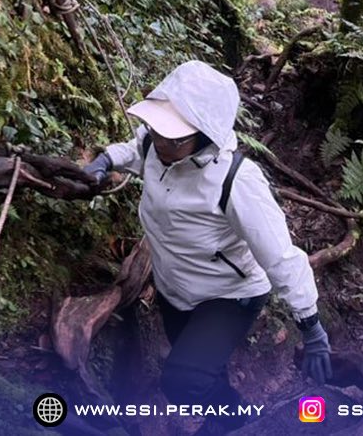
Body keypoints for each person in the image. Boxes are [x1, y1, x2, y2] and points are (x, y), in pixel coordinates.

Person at [82, 61, 331, 434]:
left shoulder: (237, 181)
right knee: (200, 371)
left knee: (181, 381)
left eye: (173, 137)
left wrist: (311, 327)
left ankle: (235, 421)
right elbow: (136, 149)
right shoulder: (157, 144)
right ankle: (225, 418)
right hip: (174, 287)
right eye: (158, 130)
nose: (160, 141)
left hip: (229, 296)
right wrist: (105, 161)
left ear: (204, 135)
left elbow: (280, 256)